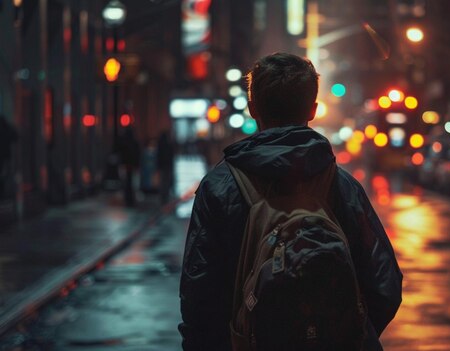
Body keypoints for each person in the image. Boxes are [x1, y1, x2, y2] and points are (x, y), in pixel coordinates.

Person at [179, 53, 402, 350]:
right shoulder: (342, 186)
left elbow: (199, 296)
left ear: (252, 107)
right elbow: (384, 285)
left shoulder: (219, 187)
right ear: (313, 109)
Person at [156, 131, 175, 203]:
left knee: (162, 182)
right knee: (166, 182)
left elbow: (158, 157)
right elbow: (171, 156)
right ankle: (165, 196)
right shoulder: (169, 145)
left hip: (162, 166)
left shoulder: (160, 145)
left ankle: (162, 197)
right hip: (167, 166)